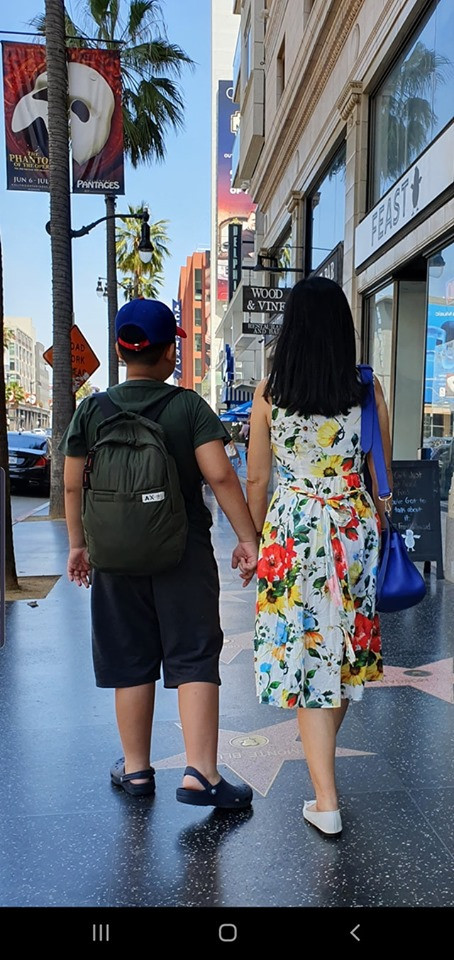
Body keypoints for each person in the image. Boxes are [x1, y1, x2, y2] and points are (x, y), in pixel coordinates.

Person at [59, 298, 258, 808]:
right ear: (170, 352)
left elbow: (73, 485)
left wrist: (79, 545)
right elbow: (220, 475)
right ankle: (201, 773)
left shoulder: (92, 410)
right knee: (194, 655)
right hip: (182, 553)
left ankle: (137, 770)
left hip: (114, 555)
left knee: (130, 657)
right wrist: (247, 537)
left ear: (121, 352)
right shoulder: (187, 407)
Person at [246, 276, 392, 836]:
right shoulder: (364, 387)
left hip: (293, 531)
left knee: (307, 655)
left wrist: (255, 542)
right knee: (340, 653)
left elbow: (257, 479)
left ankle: (325, 800)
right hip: (352, 528)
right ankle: (324, 787)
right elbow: (382, 471)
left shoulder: (269, 393)